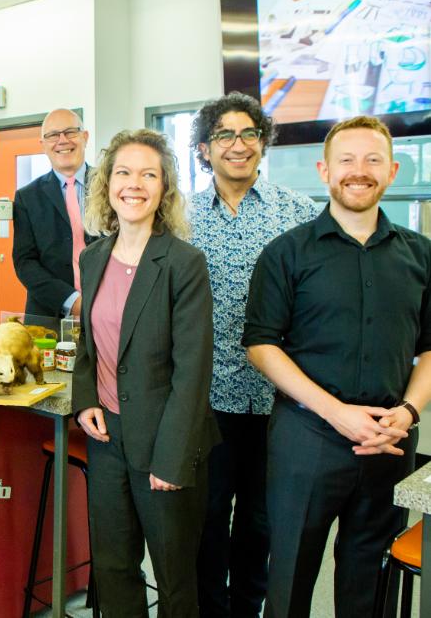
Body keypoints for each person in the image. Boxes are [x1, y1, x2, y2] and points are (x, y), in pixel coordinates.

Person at [244, 115, 431, 618]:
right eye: (347, 160)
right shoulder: (286, 254)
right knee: (290, 574)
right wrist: (336, 412)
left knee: (367, 577)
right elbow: (261, 346)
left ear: (391, 171)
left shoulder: (422, 256)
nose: (359, 171)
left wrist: (409, 412)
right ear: (325, 169)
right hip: (307, 441)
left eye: (373, 160)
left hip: (390, 440)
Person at [73, 128, 217, 617]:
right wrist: (86, 398)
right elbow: (88, 346)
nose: (134, 184)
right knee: (114, 569)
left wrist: (172, 459)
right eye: (123, 172)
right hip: (108, 439)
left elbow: (193, 370)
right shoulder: (92, 257)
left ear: (164, 188)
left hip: (165, 444)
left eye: (148, 174)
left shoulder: (183, 263)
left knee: (175, 577)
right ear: (107, 183)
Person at [187, 92, 319, 618]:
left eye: (248, 134)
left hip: (277, 401)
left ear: (262, 142)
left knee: (263, 522)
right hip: (205, 397)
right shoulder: (181, 215)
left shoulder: (300, 213)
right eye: (224, 135)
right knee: (207, 518)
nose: (237, 145)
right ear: (204, 149)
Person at [12, 107, 95, 319]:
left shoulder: (112, 186)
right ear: (43, 145)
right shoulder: (27, 197)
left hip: (109, 311)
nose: (62, 140)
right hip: (49, 315)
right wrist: (72, 301)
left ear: (85, 137)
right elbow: (25, 262)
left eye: (70, 132)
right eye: (52, 135)